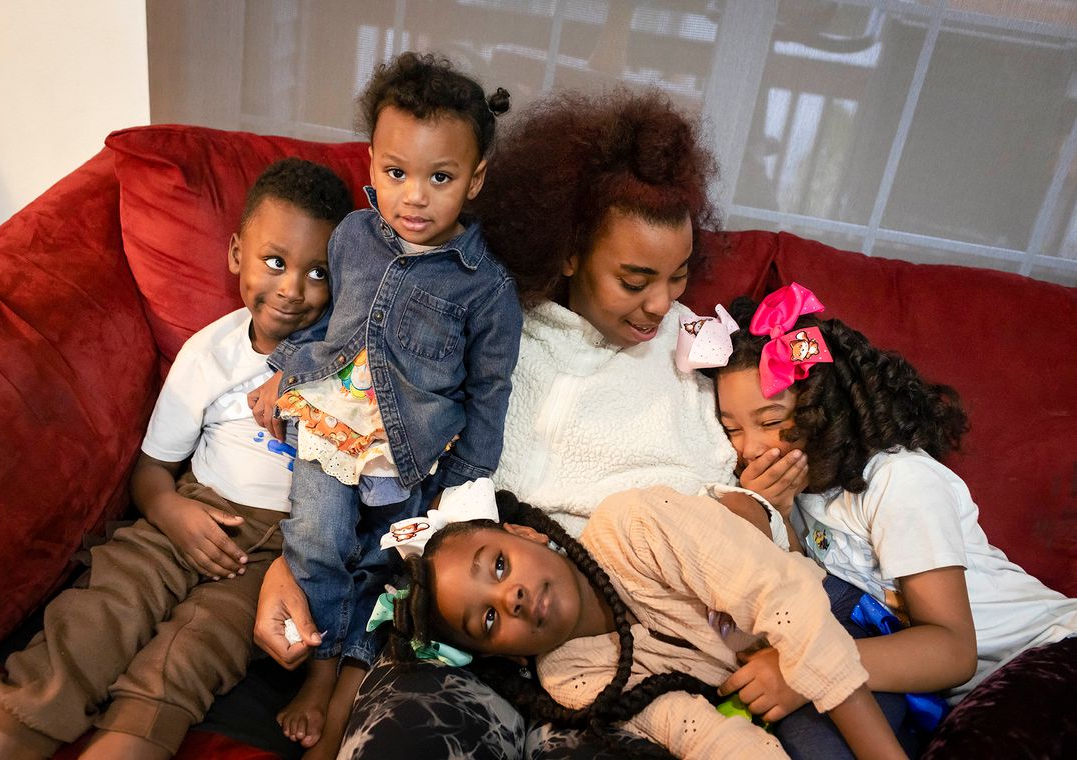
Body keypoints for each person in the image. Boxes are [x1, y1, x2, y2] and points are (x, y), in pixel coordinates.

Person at [254, 87, 784, 758]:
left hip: (631, 654)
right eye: (635, 278)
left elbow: (744, 500)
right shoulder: (490, 322)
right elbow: (377, 461)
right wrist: (294, 568)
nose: (661, 304)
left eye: (678, 277)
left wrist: (760, 516)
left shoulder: (690, 351)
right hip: (475, 638)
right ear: (569, 252)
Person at [0, 158, 351, 760]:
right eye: (275, 261)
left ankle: (126, 741)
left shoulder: (343, 364)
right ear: (235, 254)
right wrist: (170, 512)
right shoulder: (209, 353)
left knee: (191, 655)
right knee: (95, 617)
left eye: (317, 272)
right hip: (190, 512)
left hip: (275, 555)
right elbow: (151, 470)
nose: (293, 289)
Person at [246, 51, 524, 756]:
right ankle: (316, 669)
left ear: (475, 179)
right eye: (397, 173)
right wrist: (285, 370)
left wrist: (468, 487)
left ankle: (348, 686)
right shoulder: (350, 238)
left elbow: (490, 391)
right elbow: (329, 327)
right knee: (316, 541)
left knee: (386, 571)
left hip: (413, 453)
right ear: (370, 163)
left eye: (441, 177)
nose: (415, 197)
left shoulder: (486, 289)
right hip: (331, 430)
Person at [708, 284, 1077, 742]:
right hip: (948, 695)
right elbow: (809, 599)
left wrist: (805, 669)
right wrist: (778, 514)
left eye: (769, 422)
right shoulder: (800, 491)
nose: (750, 448)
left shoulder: (899, 482)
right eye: (731, 429)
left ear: (822, 409)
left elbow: (952, 648)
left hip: (1048, 652)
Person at [378, 486, 906, 760]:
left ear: (527, 534)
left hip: (830, 620)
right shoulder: (572, 680)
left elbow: (786, 601)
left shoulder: (634, 524)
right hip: (770, 695)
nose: (510, 596)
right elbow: (700, 736)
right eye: (488, 618)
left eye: (498, 564)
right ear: (503, 655)